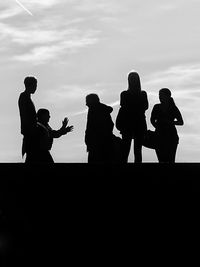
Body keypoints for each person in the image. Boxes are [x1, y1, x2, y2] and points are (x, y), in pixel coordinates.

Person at [116, 71, 149, 163]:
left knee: (126, 150)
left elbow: (124, 107)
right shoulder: (142, 94)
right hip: (138, 123)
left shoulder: (124, 94)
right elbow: (145, 107)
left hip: (128, 124)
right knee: (137, 151)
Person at [150, 88, 184, 163]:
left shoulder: (173, 108)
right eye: (159, 95)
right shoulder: (156, 107)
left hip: (171, 137)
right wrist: (158, 127)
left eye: (161, 95)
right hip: (159, 136)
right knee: (161, 160)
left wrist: (170, 122)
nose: (160, 97)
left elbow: (181, 122)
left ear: (168, 96)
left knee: (171, 160)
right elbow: (152, 120)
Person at [85, 94, 114, 163]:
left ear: (92, 101)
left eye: (87, 101)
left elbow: (90, 128)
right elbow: (111, 125)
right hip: (105, 142)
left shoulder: (93, 109)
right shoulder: (103, 109)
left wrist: (88, 141)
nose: (86, 104)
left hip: (96, 144)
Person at [18, 76, 38, 163]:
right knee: (31, 156)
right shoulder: (24, 97)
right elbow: (25, 115)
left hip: (31, 132)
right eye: (35, 85)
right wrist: (30, 130)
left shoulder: (27, 97)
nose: (36, 87)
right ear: (30, 85)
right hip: (29, 132)